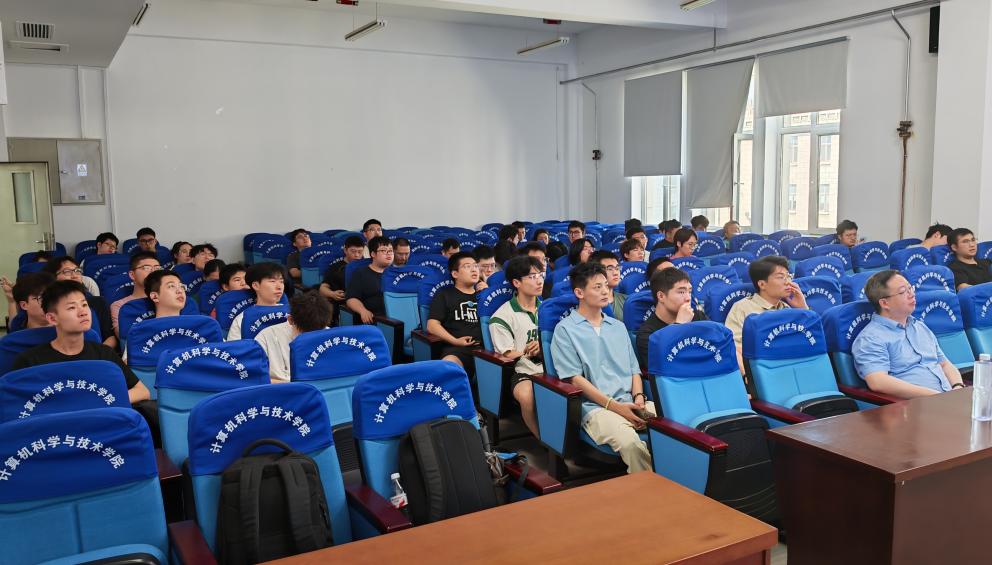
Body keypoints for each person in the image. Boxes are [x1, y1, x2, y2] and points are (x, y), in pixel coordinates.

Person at [550, 262, 654, 474]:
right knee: (631, 444)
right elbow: (574, 379)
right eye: (597, 287)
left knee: (678, 429)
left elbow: (634, 370)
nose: (605, 291)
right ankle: (652, 490)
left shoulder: (618, 326)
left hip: (630, 400)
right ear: (579, 293)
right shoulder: (565, 330)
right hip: (596, 408)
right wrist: (615, 407)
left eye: (606, 285)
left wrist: (639, 398)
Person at [12, 280, 155, 430]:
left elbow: (142, 391)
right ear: (52, 318)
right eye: (72, 307)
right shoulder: (30, 361)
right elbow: (17, 408)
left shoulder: (103, 354)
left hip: (102, 428)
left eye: (84, 305)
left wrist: (102, 401)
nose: (83, 312)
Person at [853, 270, 964, 398]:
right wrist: (937, 397)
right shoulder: (870, 338)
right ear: (884, 303)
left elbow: (944, 363)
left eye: (910, 288)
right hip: (915, 405)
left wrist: (958, 386)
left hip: (947, 398)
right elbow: (878, 382)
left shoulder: (919, 326)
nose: (911, 294)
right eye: (902, 292)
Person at [489, 256, 545, 437]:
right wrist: (530, 351)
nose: (539, 281)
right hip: (522, 371)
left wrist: (544, 347)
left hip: (552, 367)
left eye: (541, 275)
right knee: (527, 396)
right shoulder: (502, 317)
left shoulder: (548, 309)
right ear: (516, 282)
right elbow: (506, 353)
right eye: (532, 277)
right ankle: (545, 441)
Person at [724, 256, 808, 372]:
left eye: (788, 276)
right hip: (762, 370)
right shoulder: (742, 308)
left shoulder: (787, 308)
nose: (788, 282)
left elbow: (807, 340)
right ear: (762, 284)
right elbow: (735, 347)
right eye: (781, 277)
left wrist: (803, 308)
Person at [635, 267, 708, 368]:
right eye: (681, 292)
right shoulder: (647, 334)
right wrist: (679, 325)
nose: (688, 298)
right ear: (661, 296)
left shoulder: (698, 316)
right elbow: (663, 367)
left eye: (690, 292)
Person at [255, 291, 332, 383]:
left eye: (317, 333)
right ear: (290, 320)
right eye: (305, 333)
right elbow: (256, 379)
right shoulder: (265, 338)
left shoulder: (329, 335)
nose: (310, 338)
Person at [427, 252, 483, 373]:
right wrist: (455, 341)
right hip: (457, 349)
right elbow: (432, 325)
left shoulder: (484, 296)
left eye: (475, 266)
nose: (474, 269)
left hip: (486, 349)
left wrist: (487, 291)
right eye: (467, 266)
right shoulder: (444, 294)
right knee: (449, 367)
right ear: (455, 274)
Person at [43, 257, 115, 347]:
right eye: (67, 271)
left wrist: (98, 352)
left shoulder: (98, 302)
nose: (75, 275)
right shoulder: (49, 305)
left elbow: (111, 337)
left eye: (77, 271)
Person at [228, 262, 286, 340]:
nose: (279, 287)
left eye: (281, 282)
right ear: (256, 285)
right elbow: (235, 346)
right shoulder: (243, 318)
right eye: (272, 281)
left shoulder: (293, 313)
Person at [110, 251, 162, 337]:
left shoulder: (168, 298)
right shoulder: (119, 305)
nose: (153, 272)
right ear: (132, 275)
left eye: (157, 268)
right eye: (146, 268)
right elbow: (124, 337)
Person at [346, 236, 393, 324]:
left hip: (396, 317)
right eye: (383, 250)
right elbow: (351, 298)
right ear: (373, 254)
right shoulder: (361, 273)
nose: (388, 254)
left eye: (390, 251)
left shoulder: (396, 273)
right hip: (375, 319)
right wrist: (362, 310)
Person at [320, 235, 365, 318]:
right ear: (345, 250)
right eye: (353, 251)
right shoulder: (335, 267)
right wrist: (332, 294)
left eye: (360, 252)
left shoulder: (367, 265)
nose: (357, 255)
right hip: (343, 303)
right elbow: (323, 287)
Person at [589, 250, 623, 321]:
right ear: (596, 271)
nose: (616, 273)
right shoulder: (589, 303)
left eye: (617, 268)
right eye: (610, 269)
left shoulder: (627, 301)